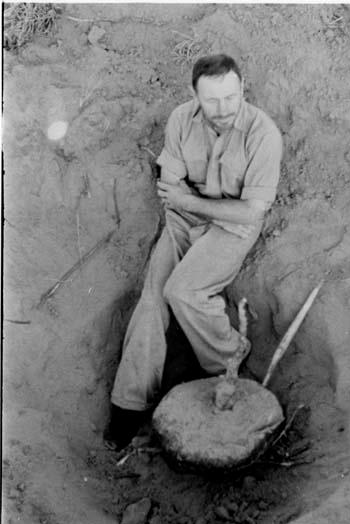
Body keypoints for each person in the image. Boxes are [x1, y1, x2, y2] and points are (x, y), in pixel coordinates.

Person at [104, 53, 283, 451]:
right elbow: (170, 187)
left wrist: (191, 200)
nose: (222, 110)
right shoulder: (181, 120)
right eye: (212, 100)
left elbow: (251, 210)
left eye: (231, 98)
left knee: (183, 291)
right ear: (194, 94)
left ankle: (228, 365)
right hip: (185, 219)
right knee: (152, 300)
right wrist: (184, 200)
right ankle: (129, 407)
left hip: (230, 227)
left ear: (243, 89)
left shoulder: (263, 135)